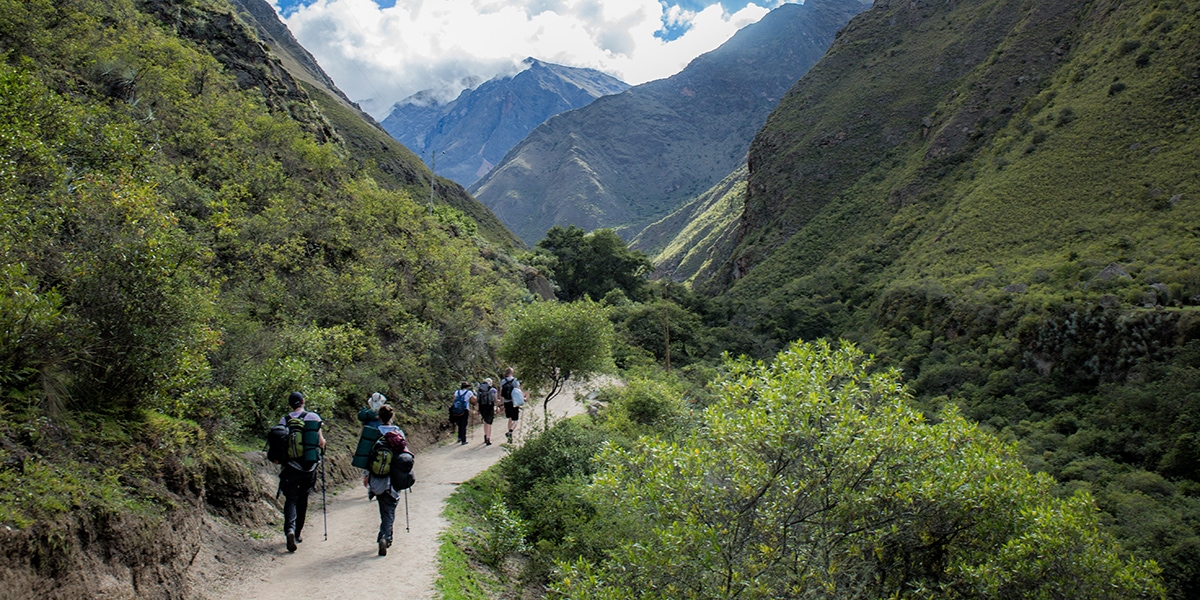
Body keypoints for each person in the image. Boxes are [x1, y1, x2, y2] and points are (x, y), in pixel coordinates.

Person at [278, 391, 325, 553]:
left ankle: (289, 530)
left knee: (290, 499)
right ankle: (297, 533)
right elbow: (321, 442)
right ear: (303, 401)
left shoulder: (284, 420)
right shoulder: (313, 417)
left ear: (290, 404)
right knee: (303, 498)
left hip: (290, 467)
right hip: (309, 467)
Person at [362, 405, 407, 556]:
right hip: (393, 478)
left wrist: (366, 475)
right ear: (392, 416)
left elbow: (367, 457)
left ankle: (385, 535)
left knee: (383, 505)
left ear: (379, 418)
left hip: (377, 476)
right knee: (390, 507)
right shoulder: (398, 433)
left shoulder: (374, 433)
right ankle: (385, 536)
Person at [473, 378, 498, 445]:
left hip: (482, 407)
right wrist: (497, 407)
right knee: (489, 423)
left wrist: (478, 409)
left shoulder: (480, 390)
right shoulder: (493, 390)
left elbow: (478, 400)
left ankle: (485, 435)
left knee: (485, 421)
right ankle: (488, 438)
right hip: (490, 407)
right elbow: (495, 400)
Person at [498, 367, 520, 442]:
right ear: (512, 373)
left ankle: (510, 438)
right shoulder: (515, 381)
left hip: (506, 402)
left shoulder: (503, 381)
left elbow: (501, 393)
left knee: (510, 418)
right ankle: (510, 431)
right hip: (514, 402)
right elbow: (518, 392)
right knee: (516, 420)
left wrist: (501, 404)